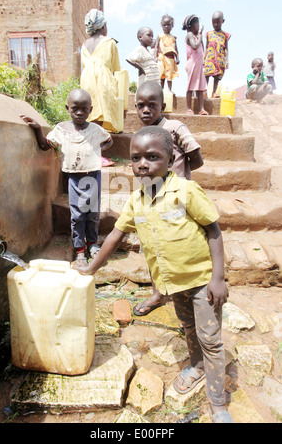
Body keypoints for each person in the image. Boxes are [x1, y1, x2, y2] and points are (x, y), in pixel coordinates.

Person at [71, 126, 234, 423]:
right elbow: (115, 236)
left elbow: (213, 231)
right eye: (136, 158)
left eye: (152, 156)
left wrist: (218, 278)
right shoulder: (136, 201)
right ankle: (197, 366)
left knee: (210, 338)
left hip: (202, 282)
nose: (143, 163)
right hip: (172, 284)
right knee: (188, 327)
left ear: (171, 159)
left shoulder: (185, 190)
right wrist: (91, 268)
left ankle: (218, 404)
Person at [133, 80, 203, 316]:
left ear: (162, 105)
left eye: (152, 105)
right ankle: (158, 293)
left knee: (179, 248)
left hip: (177, 200)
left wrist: (179, 175)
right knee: (154, 247)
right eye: (140, 105)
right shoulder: (142, 134)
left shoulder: (174, 127)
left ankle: (187, 305)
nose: (146, 110)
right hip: (152, 199)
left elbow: (198, 158)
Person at [20, 89, 113, 264]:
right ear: (67, 108)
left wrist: (96, 150)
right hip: (75, 179)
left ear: (90, 110)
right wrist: (38, 129)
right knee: (77, 215)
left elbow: (109, 140)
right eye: (74, 108)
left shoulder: (95, 129)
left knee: (92, 213)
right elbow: (45, 144)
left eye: (84, 109)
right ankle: (79, 249)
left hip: (93, 176)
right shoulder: (61, 129)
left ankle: (92, 244)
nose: (79, 112)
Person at [80, 9, 121, 135]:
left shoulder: (84, 45)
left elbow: (84, 65)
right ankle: (102, 138)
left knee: (91, 109)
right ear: (103, 26)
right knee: (104, 106)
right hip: (103, 79)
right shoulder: (110, 42)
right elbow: (115, 68)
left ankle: (93, 136)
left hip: (86, 80)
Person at [182, 14, 208, 115]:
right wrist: (200, 37)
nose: (199, 26)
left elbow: (202, 48)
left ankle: (201, 109)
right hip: (192, 64)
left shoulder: (197, 36)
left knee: (200, 87)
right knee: (191, 86)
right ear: (192, 26)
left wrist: (200, 36)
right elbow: (195, 46)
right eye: (197, 24)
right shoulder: (190, 35)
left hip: (199, 65)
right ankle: (189, 108)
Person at [204, 11, 231, 98]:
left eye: (217, 22)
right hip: (210, 58)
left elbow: (226, 49)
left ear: (223, 21)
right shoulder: (209, 34)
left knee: (217, 76)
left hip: (220, 59)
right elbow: (206, 47)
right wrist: (204, 59)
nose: (215, 24)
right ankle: (204, 91)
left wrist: (227, 60)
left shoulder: (225, 35)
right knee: (207, 74)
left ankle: (214, 92)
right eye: (213, 22)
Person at [155, 15, 179, 92]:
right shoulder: (160, 36)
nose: (166, 26)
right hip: (162, 57)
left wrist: (177, 58)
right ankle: (161, 90)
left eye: (168, 25)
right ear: (161, 26)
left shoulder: (173, 38)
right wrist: (155, 56)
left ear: (172, 25)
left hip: (170, 58)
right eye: (164, 25)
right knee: (162, 75)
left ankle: (169, 89)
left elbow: (176, 49)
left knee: (169, 75)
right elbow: (156, 47)